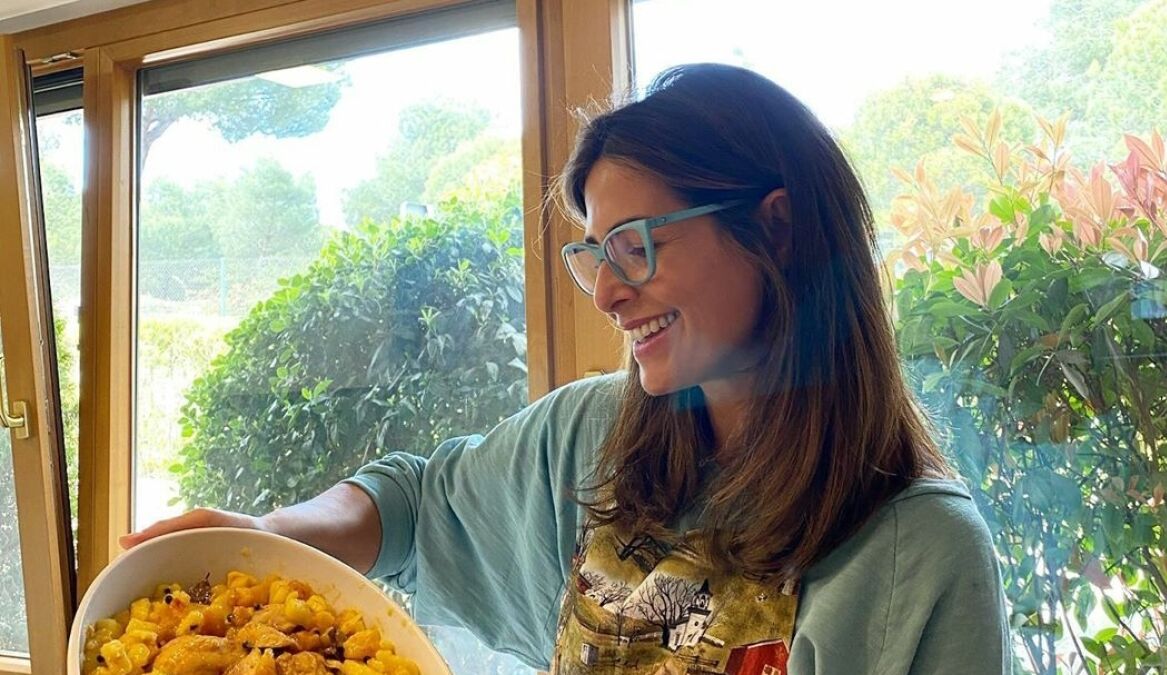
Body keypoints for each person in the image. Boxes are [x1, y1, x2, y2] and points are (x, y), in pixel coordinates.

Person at [122, 63, 1011, 674]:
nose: (608, 293)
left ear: (774, 227)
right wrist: (272, 534)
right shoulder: (592, 436)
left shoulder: (922, 553)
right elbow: (413, 502)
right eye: (594, 256)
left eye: (636, 245)